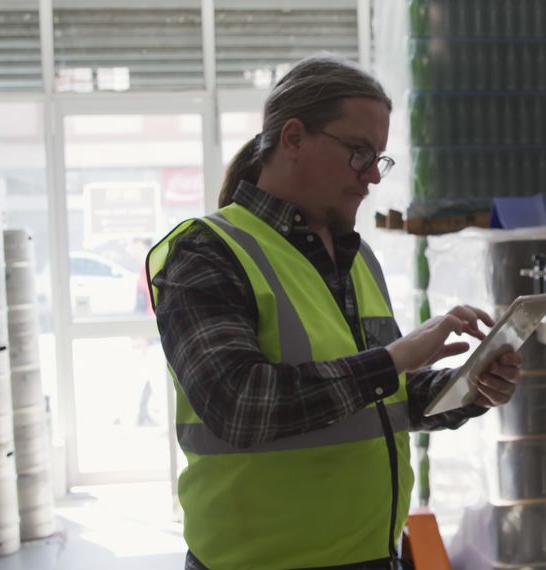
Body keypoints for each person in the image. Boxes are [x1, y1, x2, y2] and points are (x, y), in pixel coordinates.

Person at [146, 55, 523, 570]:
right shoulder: (207, 253)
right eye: (358, 152)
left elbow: (380, 402)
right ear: (294, 138)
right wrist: (392, 359)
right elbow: (239, 404)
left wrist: (468, 388)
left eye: (379, 158)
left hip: (370, 556)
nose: (372, 175)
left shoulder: (356, 257)